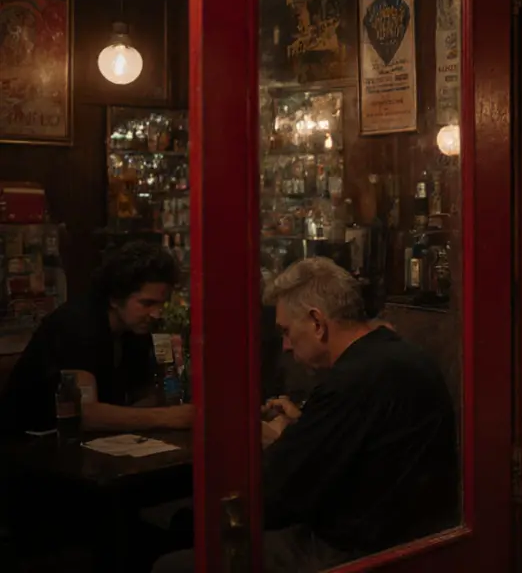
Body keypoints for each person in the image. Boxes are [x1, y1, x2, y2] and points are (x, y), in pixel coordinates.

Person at [153, 257, 458, 573]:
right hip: (419, 537)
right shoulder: (402, 355)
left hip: (357, 551)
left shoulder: (350, 381)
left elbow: (278, 495)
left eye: (286, 331)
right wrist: (302, 427)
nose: (285, 345)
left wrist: (276, 440)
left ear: (317, 322)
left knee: (171, 563)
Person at [0, 240, 192, 436]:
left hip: (83, 445)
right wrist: (168, 417)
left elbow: (138, 400)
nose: (156, 313)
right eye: (147, 303)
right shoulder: (77, 324)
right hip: (25, 445)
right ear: (115, 299)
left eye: (162, 304)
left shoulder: (133, 330)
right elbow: (86, 413)